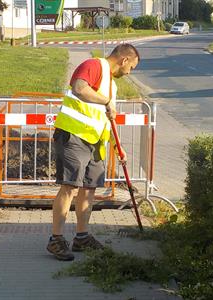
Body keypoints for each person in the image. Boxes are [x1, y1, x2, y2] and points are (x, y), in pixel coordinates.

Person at [47, 44, 140, 261]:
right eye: (131, 68)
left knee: (89, 190)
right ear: (124, 60)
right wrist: (105, 101)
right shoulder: (93, 65)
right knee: (69, 187)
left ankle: (82, 236)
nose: (129, 73)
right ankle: (56, 239)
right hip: (73, 136)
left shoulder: (111, 86)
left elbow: (107, 119)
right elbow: (80, 88)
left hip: (95, 143)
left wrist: (118, 147)